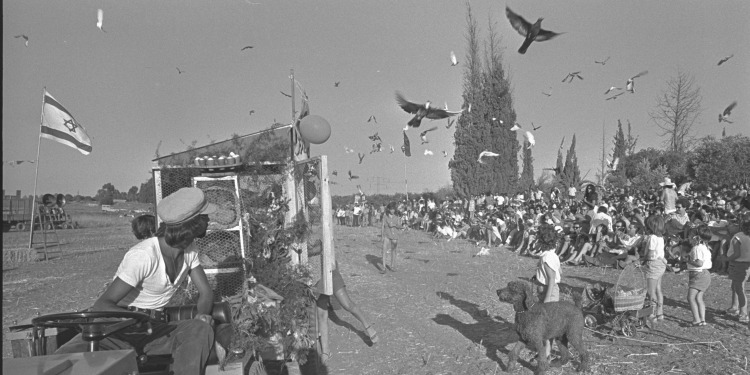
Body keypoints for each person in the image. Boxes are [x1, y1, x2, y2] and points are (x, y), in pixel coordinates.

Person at [57, 187, 217, 375]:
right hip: (117, 330)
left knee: (199, 329)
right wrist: (138, 319)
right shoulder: (144, 255)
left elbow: (205, 292)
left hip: (154, 331)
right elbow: (102, 305)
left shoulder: (190, 250)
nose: (209, 220)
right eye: (205, 217)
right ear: (193, 224)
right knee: (62, 361)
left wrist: (202, 315)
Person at [314, 260, 378, 364]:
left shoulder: (323, 242)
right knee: (321, 313)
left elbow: (331, 254)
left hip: (329, 271)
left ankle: (367, 326)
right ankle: (326, 351)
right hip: (315, 276)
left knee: (347, 304)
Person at [532, 224, 561, 361]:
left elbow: (551, 278)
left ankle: (547, 353)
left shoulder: (546, 258)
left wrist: (547, 299)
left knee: (545, 324)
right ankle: (546, 350)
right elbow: (558, 272)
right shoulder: (552, 255)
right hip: (548, 289)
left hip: (548, 291)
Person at [685, 226, 713, 326]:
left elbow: (699, 263)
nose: (689, 237)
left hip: (698, 274)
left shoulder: (697, 248)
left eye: (691, 235)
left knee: (691, 297)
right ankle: (702, 320)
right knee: (698, 298)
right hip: (704, 274)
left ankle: (696, 319)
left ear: (697, 237)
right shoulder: (705, 247)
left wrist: (687, 260)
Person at [725, 217, 750, 323]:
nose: (729, 226)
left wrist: (726, 259)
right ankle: (734, 307)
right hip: (746, 264)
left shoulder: (738, 237)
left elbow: (736, 254)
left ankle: (743, 313)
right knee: (735, 286)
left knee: (739, 288)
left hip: (738, 264)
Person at [643, 214, 668, 321]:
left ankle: (652, 314)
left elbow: (650, 254)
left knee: (650, 291)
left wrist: (643, 259)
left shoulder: (652, 238)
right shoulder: (660, 237)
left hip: (653, 264)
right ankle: (660, 312)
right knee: (658, 289)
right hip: (661, 264)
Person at [380, 202, 406, 273]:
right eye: (391, 209)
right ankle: (384, 267)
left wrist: (394, 225)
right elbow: (382, 226)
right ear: (388, 209)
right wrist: (382, 236)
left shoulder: (397, 217)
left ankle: (392, 266)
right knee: (384, 251)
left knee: (393, 251)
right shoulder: (385, 216)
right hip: (387, 235)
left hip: (394, 235)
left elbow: (400, 226)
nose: (392, 211)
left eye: (393, 209)